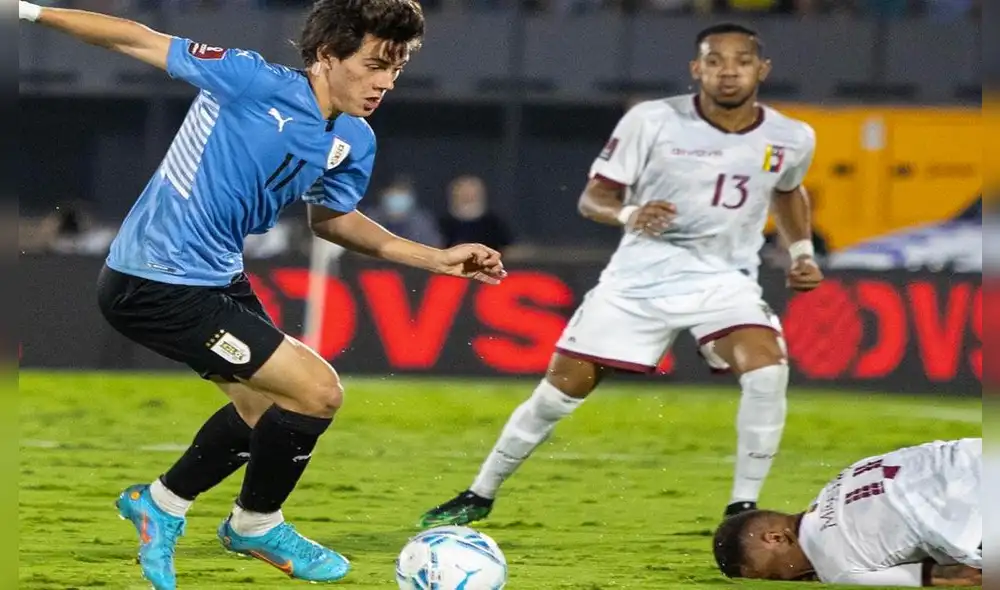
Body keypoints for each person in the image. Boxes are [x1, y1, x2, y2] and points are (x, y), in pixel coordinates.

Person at [18, 2, 505, 589]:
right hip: (155, 279)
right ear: (327, 56)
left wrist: (435, 259)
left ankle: (162, 504)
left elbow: (332, 221)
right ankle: (253, 524)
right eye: (374, 64)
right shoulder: (249, 80)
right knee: (317, 392)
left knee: (262, 415)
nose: (384, 83)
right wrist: (27, 10)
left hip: (216, 278)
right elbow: (135, 39)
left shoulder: (353, 138)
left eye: (396, 70)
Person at [419, 23, 821, 528]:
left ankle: (742, 507)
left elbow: (788, 190)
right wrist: (631, 214)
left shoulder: (792, 136)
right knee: (558, 394)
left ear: (761, 70)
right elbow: (594, 198)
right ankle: (480, 492)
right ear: (697, 69)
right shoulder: (653, 120)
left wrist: (802, 250)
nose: (728, 71)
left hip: (726, 280)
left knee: (767, 370)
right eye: (714, 61)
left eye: (741, 61)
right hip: (638, 280)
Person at [712, 438, 982, 587]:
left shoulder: (835, 570)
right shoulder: (841, 482)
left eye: (773, 575)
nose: (791, 581)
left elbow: (960, 576)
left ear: (775, 539)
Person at [438, 175, 514, 252]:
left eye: (471, 193)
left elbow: (506, 247)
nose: (467, 196)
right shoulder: (444, 223)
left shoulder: (493, 222)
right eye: (464, 193)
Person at [367, 179, 444, 247]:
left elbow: (433, 247)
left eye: (401, 193)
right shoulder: (371, 218)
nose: (397, 199)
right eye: (394, 193)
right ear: (383, 194)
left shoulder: (421, 221)